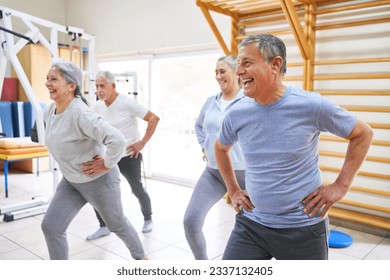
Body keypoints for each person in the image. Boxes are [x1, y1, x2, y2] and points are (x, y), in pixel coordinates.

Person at [214, 34, 373, 260]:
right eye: (239, 63)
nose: (238, 71)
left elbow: (363, 134)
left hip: (303, 228)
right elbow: (220, 148)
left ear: (275, 64)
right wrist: (233, 190)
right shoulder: (237, 112)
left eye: (247, 62)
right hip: (251, 224)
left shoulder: (310, 105)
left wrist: (340, 186)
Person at [40, 61, 147, 260]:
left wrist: (105, 163)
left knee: (117, 224)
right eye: (47, 78)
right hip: (72, 180)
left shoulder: (81, 113)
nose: (47, 83)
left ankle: (141, 259)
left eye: (54, 79)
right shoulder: (50, 111)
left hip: (98, 181)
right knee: (51, 226)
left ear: (71, 86)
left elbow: (117, 139)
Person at [183, 56, 246, 260]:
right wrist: (204, 146)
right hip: (213, 172)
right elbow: (199, 126)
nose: (218, 76)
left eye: (222, 71)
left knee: (252, 229)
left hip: (245, 175)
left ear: (237, 72)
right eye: (216, 72)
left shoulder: (249, 101)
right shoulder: (212, 102)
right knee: (191, 221)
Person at [85, 70, 159, 241]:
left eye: (102, 86)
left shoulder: (126, 102)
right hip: (107, 157)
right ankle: (103, 226)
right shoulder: (97, 106)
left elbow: (154, 118)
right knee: (97, 191)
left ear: (113, 86)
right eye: (96, 86)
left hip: (128, 155)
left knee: (137, 188)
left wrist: (142, 142)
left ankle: (148, 219)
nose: (99, 90)